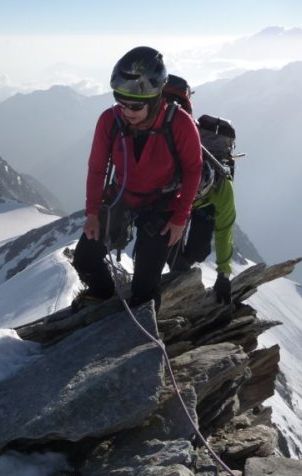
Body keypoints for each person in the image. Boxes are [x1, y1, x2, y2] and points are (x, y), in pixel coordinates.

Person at [72, 47, 202, 312]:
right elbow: (97, 168)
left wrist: (179, 218)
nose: (126, 111)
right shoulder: (110, 121)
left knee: (146, 284)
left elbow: (193, 170)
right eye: (120, 101)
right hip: (122, 196)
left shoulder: (179, 123)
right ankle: (104, 296)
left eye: (134, 105)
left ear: (155, 98)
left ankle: (142, 334)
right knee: (85, 259)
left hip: (161, 205)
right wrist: (93, 214)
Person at [162, 74, 236, 304]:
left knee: (196, 251)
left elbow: (225, 230)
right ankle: (178, 279)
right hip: (177, 198)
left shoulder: (222, 185)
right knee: (171, 247)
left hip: (185, 200)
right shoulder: (177, 167)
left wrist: (224, 274)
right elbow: (223, 228)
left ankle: (179, 279)